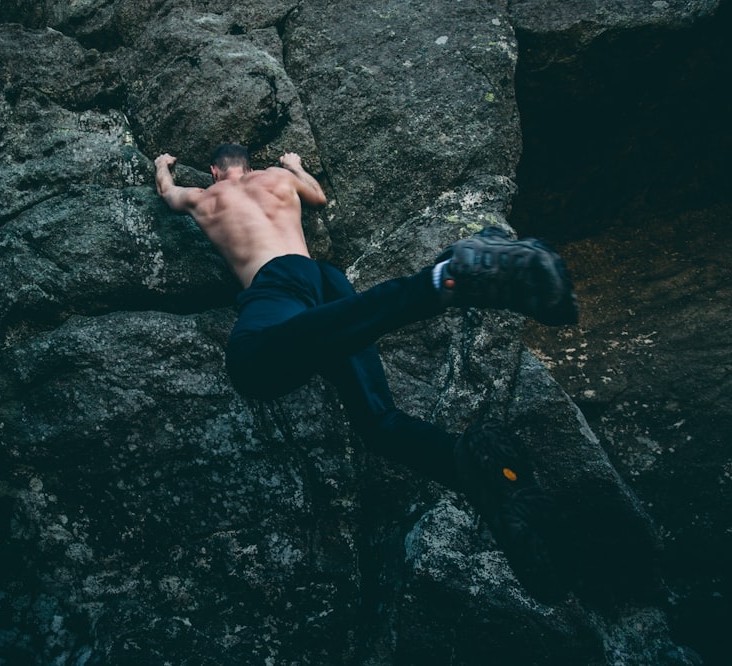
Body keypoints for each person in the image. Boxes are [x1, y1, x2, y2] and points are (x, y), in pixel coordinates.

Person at [154, 144, 577, 597]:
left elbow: (167, 193)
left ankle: (446, 278)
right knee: (379, 422)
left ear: (217, 170)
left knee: (250, 364)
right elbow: (317, 198)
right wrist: (295, 165)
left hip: (277, 282)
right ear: (250, 167)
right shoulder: (277, 179)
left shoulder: (205, 197)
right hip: (328, 280)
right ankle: (482, 473)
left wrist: (163, 165)